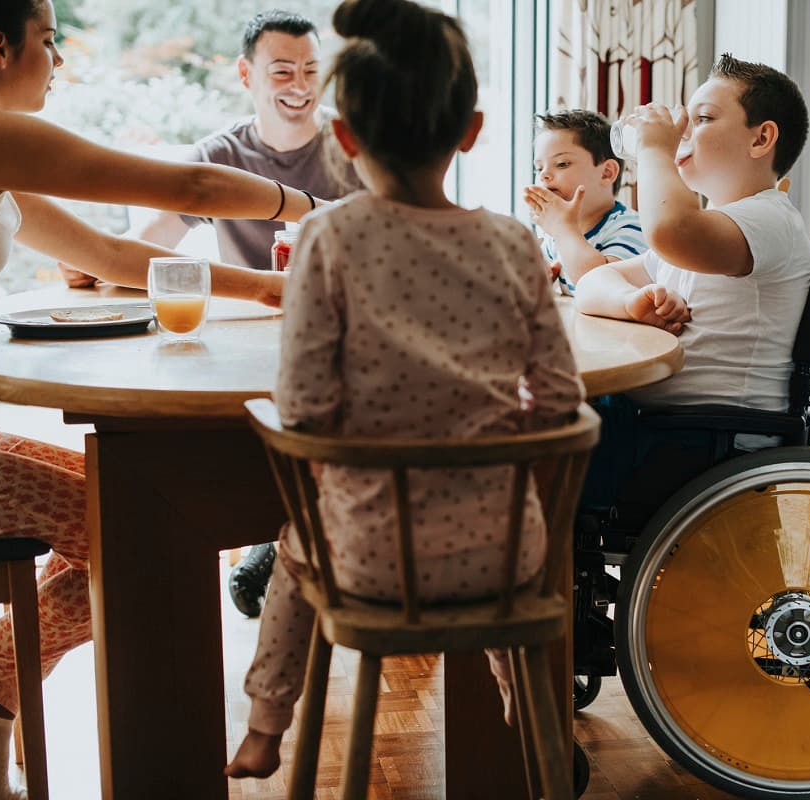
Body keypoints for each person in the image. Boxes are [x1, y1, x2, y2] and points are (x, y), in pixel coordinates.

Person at [0, 2, 320, 797]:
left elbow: (115, 254)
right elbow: (189, 184)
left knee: (142, 509)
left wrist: (270, 288)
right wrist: (312, 210)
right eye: (50, 41)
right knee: (146, 529)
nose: (59, 59)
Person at [224, 0, 585, 779]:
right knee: (496, 548)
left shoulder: (329, 236)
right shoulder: (515, 243)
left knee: (296, 546)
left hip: (372, 561)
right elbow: (560, 401)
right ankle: (524, 703)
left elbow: (306, 406)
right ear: (473, 130)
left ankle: (264, 724)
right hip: (507, 555)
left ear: (344, 139)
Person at [125, 9, 364, 619]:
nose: (300, 85)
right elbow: (148, 243)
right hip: (250, 344)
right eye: (282, 70)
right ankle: (276, 533)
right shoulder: (220, 154)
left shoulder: (355, 146)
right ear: (246, 75)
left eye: (312, 69)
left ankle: (280, 538)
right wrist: (98, 263)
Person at [574, 53, 810, 528]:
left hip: (709, 443)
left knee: (541, 436)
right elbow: (592, 281)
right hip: (666, 430)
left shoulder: (769, 221)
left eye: (701, 118)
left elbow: (669, 230)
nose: (682, 130)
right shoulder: (707, 232)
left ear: (761, 138)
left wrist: (655, 151)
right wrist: (630, 302)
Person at [524, 109, 645, 294]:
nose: (544, 175)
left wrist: (563, 229)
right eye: (539, 168)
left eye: (562, 164)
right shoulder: (555, 234)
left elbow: (600, 290)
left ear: (607, 173)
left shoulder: (632, 229)